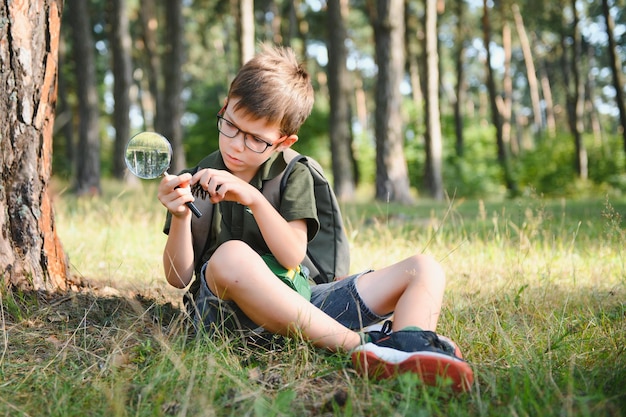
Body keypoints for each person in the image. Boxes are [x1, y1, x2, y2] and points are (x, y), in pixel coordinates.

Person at [157, 43, 473, 392]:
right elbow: (177, 277)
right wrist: (180, 216)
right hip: (226, 319)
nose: (236, 144)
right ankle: (367, 350)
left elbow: (292, 256)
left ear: (282, 142)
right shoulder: (198, 178)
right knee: (231, 255)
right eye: (230, 125)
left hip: (301, 304)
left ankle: (412, 348)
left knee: (424, 268)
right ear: (224, 108)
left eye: (255, 140)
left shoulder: (294, 174)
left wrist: (254, 199)